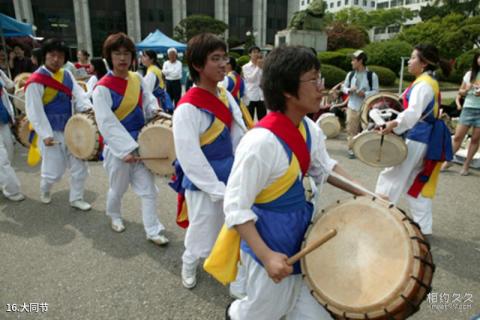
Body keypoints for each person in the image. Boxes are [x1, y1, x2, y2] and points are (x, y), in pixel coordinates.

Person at [224, 45, 364, 320]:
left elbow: (326, 168)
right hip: (272, 244)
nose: (321, 88)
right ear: (287, 90)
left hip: (303, 239)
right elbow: (235, 207)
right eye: (313, 80)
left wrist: (368, 195)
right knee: (262, 312)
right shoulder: (259, 142)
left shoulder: (309, 129)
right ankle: (235, 313)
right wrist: (266, 256)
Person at [171, 33, 247, 289]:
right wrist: (215, 188)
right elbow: (189, 157)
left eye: (224, 57)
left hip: (231, 171)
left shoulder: (225, 95)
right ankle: (189, 262)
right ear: (197, 65)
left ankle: (235, 276)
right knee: (203, 228)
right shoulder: (187, 108)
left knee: (235, 226)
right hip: (203, 180)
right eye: (215, 58)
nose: (223, 63)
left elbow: (239, 133)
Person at [92, 32, 168, 245]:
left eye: (127, 53)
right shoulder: (102, 89)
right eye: (117, 54)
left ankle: (152, 230)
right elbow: (106, 122)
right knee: (118, 188)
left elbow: (148, 101)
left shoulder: (137, 78)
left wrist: (156, 111)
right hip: (119, 150)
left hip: (142, 144)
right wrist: (125, 149)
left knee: (148, 190)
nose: (123, 58)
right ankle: (114, 215)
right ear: (109, 57)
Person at [375, 44, 453, 237]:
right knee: (414, 183)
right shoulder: (427, 81)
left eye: (412, 58)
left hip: (417, 137)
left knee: (391, 176)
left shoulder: (424, 84)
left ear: (424, 62)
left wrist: (393, 124)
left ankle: (379, 218)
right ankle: (423, 228)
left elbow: (413, 112)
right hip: (423, 137)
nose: (409, 62)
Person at [24, 38, 92, 210]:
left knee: (79, 165)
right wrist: (45, 134)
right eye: (52, 55)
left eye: (60, 56)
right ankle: (45, 189)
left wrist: (88, 111)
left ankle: (76, 198)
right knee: (53, 171)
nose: (56, 59)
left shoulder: (67, 74)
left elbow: (79, 96)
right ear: (45, 56)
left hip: (71, 128)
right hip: (51, 131)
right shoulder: (36, 80)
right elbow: (35, 111)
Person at [441, 52, 480, 176]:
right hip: (468, 108)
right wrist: (467, 89)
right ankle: (448, 160)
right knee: (458, 137)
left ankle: (466, 165)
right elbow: (460, 91)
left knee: (475, 139)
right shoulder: (469, 74)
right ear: (476, 59)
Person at [342, 50, 379, 158]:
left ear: (360, 61)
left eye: (353, 60)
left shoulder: (372, 75)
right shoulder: (350, 74)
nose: (351, 62)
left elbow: (376, 91)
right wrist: (349, 90)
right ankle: (352, 149)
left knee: (366, 129)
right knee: (351, 129)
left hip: (366, 107)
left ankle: (365, 150)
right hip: (352, 105)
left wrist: (365, 94)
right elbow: (344, 87)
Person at [0, 68, 25, 202]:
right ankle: (12, 190)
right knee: (2, 158)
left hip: (3, 120)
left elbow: (10, 87)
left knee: (9, 152)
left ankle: (3, 182)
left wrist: (20, 82)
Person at [221, 56, 253, 128]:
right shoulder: (240, 78)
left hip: (228, 109)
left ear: (230, 65)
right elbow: (246, 98)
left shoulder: (226, 79)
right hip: (239, 108)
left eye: (225, 64)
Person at [242, 46, 265, 121]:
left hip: (261, 96)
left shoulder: (263, 66)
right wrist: (258, 67)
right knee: (249, 119)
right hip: (250, 95)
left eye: (258, 52)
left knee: (262, 119)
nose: (256, 54)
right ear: (249, 54)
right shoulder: (245, 67)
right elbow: (250, 79)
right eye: (254, 52)